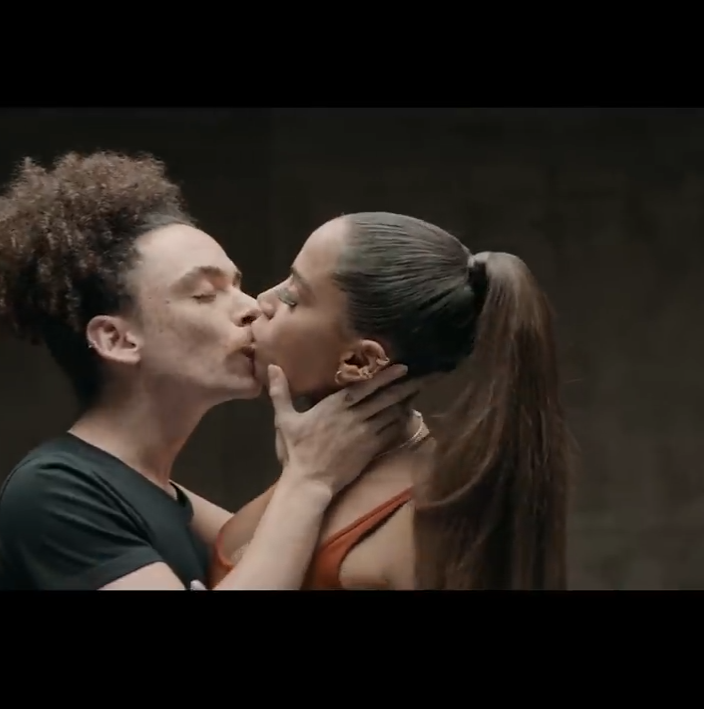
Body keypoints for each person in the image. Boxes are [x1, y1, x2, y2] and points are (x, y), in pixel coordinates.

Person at [0, 152, 422, 590]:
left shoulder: (168, 501)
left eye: (237, 285)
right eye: (205, 294)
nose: (252, 307)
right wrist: (309, 479)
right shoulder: (54, 492)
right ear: (117, 339)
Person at [209, 212, 572, 590]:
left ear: (359, 361)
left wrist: (306, 480)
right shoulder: (324, 463)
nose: (262, 301)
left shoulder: (413, 524)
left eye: (292, 297)